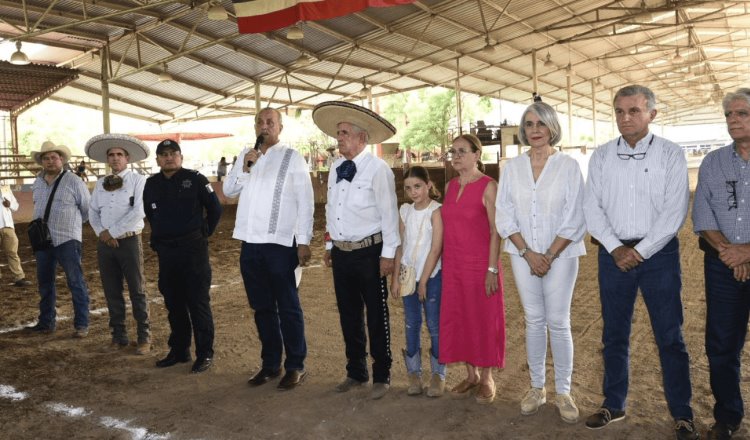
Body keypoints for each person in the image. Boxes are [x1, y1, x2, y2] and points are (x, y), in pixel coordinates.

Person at [582, 85, 698, 440]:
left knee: (670, 336)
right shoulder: (601, 157)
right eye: (619, 111)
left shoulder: (670, 154)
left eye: (633, 111)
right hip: (613, 255)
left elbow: (675, 209)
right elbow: (591, 206)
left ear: (652, 114)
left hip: (658, 255)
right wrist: (616, 248)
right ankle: (613, 403)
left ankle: (682, 413)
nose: (625, 118)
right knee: (614, 334)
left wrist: (641, 250)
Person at [495, 102, 585, 422]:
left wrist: (548, 255)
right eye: (529, 124)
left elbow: (575, 216)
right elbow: (504, 214)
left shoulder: (569, 166)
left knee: (558, 322)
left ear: (551, 128)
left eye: (541, 124)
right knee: (534, 320)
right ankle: (536, 387)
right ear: (524, 130)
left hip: (561, 255)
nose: (535, 129)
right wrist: (528, 253)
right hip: (523, 255)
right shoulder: (512, 168)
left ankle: (563, 391)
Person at [313, 101, 400, 400]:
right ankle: (356, 371)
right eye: (338, 133)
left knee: (376, 314)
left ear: (362, 138)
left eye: (345, 133)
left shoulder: (378, 170)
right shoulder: (336, 167)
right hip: (341, 252)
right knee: (348, 314)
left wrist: (388, 254)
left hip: (369, 252)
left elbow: (389, 215)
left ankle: (382, 374)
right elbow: (330, 209)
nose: (339, 138)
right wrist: (328, 244)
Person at [223, 108, 314, 390]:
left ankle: (296, 365)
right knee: (261, 307)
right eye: (260, 122)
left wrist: (304, 240)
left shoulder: (292, 157)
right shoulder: (245, 154)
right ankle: (270, 364)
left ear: (280, 127)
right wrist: (245, 165)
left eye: (270, 122)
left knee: (287, 306)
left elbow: (305, 200)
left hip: (280, 243)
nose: (265, 126)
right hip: (250, 243)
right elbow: (229, 191)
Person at [692, 88, 750, 440]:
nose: (733, 121)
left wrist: (748, 251)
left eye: (741, 113)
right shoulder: (713, 162)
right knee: (721, 343)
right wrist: (732, 252)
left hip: (735, 259)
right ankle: (727, 415)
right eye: (729, 115)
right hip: (723, 266)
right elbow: (702, 214)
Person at [143, 139, 222, 374]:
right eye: (164, 154)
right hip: (167, 253)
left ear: (181, 157)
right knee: (174, 303)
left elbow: (215, 209)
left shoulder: (195, 179)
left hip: (193, 252)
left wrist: (204, 232)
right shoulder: (151, 184)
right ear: (157, 159)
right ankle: (179, 350)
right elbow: (150, 213)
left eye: (173, 153)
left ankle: (205, 353)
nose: (169, 158)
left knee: (197, 303)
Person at [439, 133, 504, 405]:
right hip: (453, 264)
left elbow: (495, 230)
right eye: (452, 151)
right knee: (460, 317)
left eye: (462, 151)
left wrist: (491, 269)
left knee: (484, 318)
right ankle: (471, 374)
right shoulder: (450, 186)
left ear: (477, 155)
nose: (455, 156)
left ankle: (487, 377)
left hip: (480, 265)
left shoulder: (489, 186)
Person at [86, 134, 151, 354]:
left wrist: (111, 232)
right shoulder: (101, 184)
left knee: (137, 290)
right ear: (107, 160)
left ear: (127, 158)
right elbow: (93, 212)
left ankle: (144, 336)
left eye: (119, 155)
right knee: (111, 290)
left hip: (129, 241)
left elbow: (139, 211)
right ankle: (119, 335)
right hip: (105, 244)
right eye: (111, 155)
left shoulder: (138, 180)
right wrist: (102, 234)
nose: (115, 158)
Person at [390, 166, 445, 397]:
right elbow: (401, 245)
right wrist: (395, 279)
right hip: (408, 277)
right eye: (408, 188)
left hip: (431, 277)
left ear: (428, 185)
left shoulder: (436, 211)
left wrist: (423, 281)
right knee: (411, 323)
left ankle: (438, 374)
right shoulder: (405, 211)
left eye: (418, 186)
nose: (413, 192)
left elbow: (435, 249)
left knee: (434, 324)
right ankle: (414, 373)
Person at [26, 141, 91, 337]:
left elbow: (86, 209)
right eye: (46, 158)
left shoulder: (74, 181)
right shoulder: (37, 183)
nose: (50, 161)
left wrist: (71, 226)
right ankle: (46, 322)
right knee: (45, 283)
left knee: (75, 281)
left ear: (61, 159)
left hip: (67, 239)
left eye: (54, 157)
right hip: (43, 240)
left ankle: (82, 324)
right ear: (42, 162)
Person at [0, 185, 31, 287]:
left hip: (8, 226)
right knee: (12, 253)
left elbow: (16, 206)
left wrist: (10, 205)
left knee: (13, 252)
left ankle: (19, 277)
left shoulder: (5, 189)